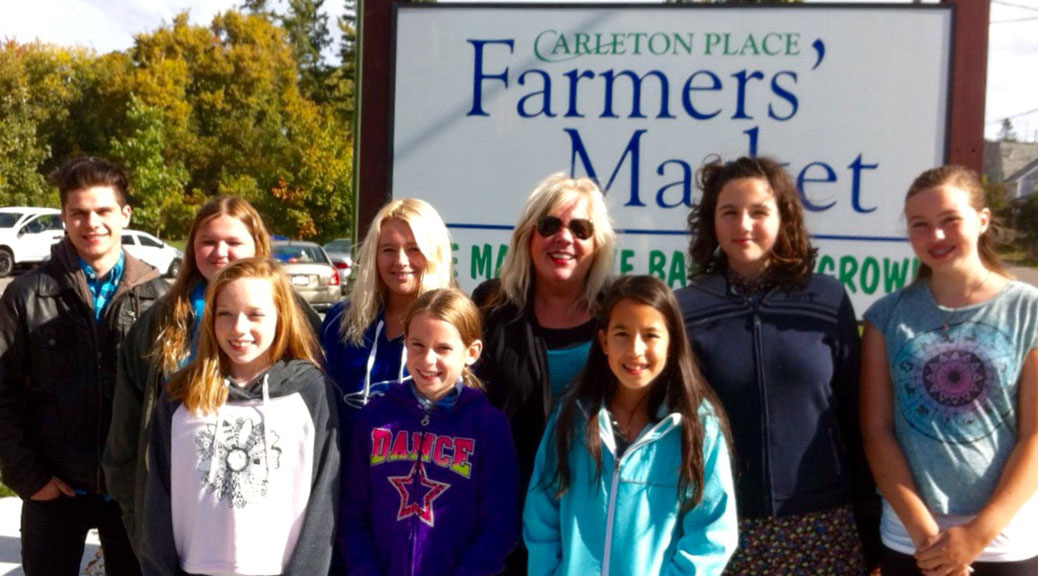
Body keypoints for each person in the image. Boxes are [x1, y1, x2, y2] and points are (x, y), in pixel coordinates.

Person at [675, 156, 877, 574]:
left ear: (783, 219)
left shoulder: (827, 299)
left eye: (759, 212)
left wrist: (869, 518)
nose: (742, 224)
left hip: (821, 521)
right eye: (728, 212)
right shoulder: (686, 307)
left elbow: (856, 414)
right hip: (722, 521)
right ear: (711, 223)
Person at [103, 196, 320, 552]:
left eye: (234, 242)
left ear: (258, 247)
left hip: (269, 529)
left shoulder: (297, 319)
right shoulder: (158, 323)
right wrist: (134, 510)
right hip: (177, 520)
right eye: (208, 241)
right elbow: (125, 434)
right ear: (191, 249)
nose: (220, 252)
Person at [861, 165, 1038, 576]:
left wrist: (976, 536)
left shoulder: (1027, 310)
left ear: (982, 220)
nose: (935, 236)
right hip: (912, 541)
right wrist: (926, 535)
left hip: (1004, 546)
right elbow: (876, 431)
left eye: (950, 221)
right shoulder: (886, 317)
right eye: (920, 225)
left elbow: (1035, 435)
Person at [0, 156, 168, 575]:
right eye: (79, 212)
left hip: (132, 492)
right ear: (64, 218)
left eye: (103, 211)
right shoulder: (26, 296)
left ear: (125, 215)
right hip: (54, 490)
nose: (91, 222)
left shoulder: (159, 299)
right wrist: (29, 478)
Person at [524, 274, 737, 575]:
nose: (635, 350)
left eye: (650, 335)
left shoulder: (696, 427)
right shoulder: (572, 417)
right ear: (604, 342)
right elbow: (541, 516)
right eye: (622, 334)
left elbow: (711, 535)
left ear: (672, 341)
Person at [139, 258, 339, 576]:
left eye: (255, 315)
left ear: (281, 317)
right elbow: (157, 498)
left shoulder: (310, 391)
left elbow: (323, 500)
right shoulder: (180, 395)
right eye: (225, 315)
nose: (239, 328)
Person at [472, 172, 615, 574]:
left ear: (597, 243)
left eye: (580, 228)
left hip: (594, 524)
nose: (564, 238)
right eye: (549, 225)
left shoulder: (618, 315)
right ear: (527, 236)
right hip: (503, 523)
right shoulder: (491, 308)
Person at [340, 288, 519, 576]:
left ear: (471, 352)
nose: (427, 360)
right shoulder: (374, 418)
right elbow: (352, 512)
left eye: (443, 348)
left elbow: (500, 525)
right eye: (417, 345)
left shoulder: (488, 426)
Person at [320, 198, 454, 412]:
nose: (400, 260)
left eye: (414, 249)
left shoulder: (454, 326)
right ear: (374, 255)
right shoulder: (341, 319)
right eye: (389, 250)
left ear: (434, 254)